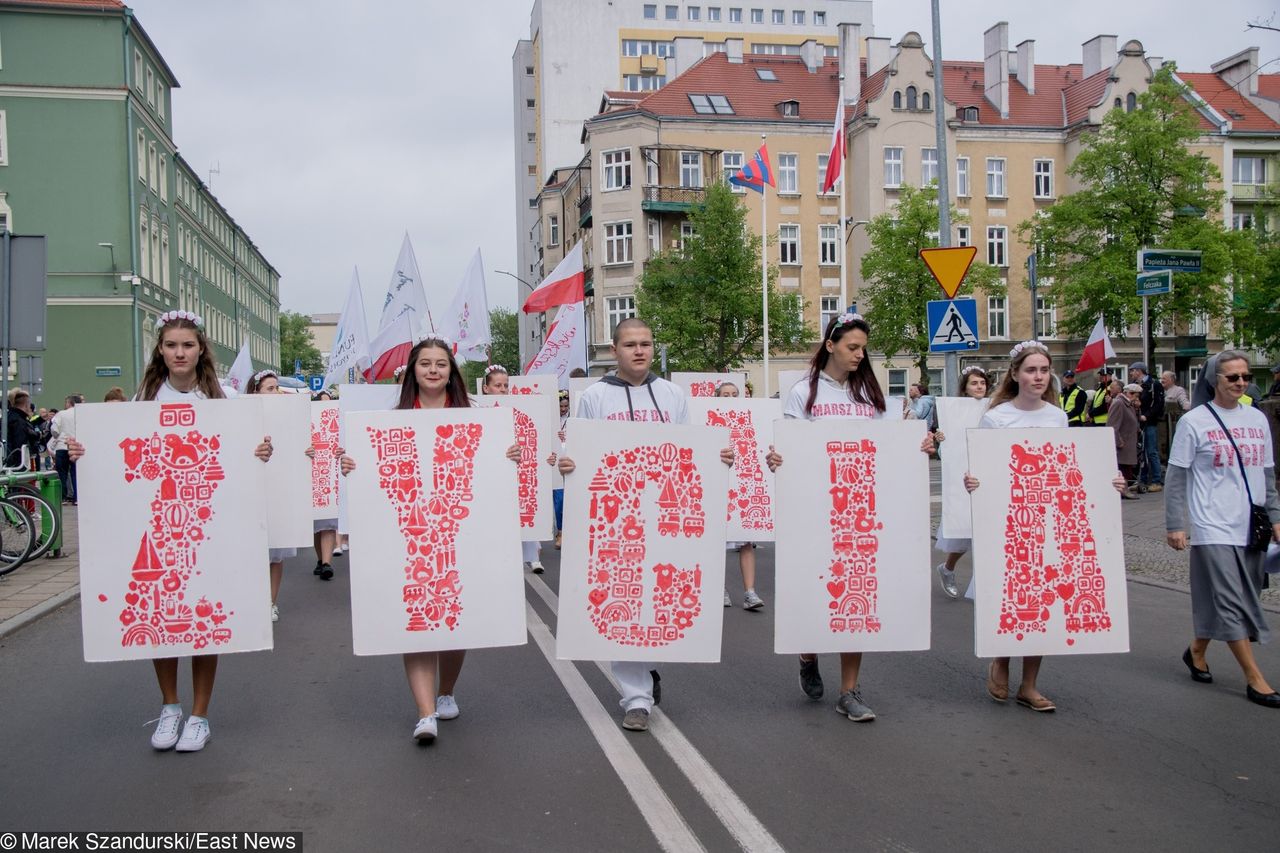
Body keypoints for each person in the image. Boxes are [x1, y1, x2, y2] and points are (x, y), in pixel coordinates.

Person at [67, 310, 273, 752]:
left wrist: (261, 450)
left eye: (188, 345)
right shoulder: (140, 406)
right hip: (157, 527)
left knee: (203, 618)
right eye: (172, 345)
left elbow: (246, 461)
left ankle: (200, 715)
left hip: (208, 528)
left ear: (201, 350)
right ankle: (170, 706)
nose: (180, 352)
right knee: (161, 617)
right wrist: (87, 451)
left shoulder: (228, 402)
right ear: (160, 351)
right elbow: (117, 460)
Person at [340, 336, 522, 742]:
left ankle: (446, 692)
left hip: (460, 531)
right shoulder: (391, 418)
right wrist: (352, 463)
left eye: (441, 364)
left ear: (452, 371)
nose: (434, 370)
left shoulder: (477, 417)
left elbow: (492, 469)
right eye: (426, 364)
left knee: (455, 617)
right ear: (413, 370)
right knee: (416, 616)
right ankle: (425, 714)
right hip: (412, 531)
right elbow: (369, 468)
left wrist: (508, 455)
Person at [557, 318, 733, 733]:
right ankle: (635, 696)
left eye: (646, 344)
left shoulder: (672, 394)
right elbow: (578, 449)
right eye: (631, 344)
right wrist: (570, 463)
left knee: (660, 592)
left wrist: (717, 459)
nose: (639, 351)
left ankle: (647, 666)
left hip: (664, 511)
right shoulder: (596, 397)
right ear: (614, 350)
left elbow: (691, 447)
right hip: (618, 515)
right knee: (624, 593)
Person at [764, 313, 935, 723]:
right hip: (815, 509)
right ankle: (808, 651)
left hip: (860, 511)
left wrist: (920, 446)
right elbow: (790, 446)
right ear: (830, 345)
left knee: (858, 593)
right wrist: (778, 458)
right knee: (816, 589)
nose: (859, 355)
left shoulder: (873, 395)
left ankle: (849, 690)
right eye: (851, 347)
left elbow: (893, 448)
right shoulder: (803, 393)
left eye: (863, 348)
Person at [964, 341, 1125, 713]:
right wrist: (973, 481)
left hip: (1049, 515)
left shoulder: (1056, 417)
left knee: (1044, 598)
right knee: (1017, 596)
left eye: (1043, 370)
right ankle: (1002, 659)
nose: (1037, 377)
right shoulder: (997, 417)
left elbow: (1069, 467)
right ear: (1016, 374)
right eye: (1030, 370)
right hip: (1012, 518)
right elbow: (982, 469)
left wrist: (1107, 481)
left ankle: (1030, 684)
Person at [1166, 351, 1280, 709]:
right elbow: (1176, 476)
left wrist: (1276, 517)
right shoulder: (1194, 421)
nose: (1241, 383)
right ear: (1215, 379)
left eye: (1245, 376)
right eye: (1233, 377)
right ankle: (1255, 678)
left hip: (1251, 525)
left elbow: (1266, 474)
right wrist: (1175, 524)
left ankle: (1197, 650)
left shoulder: (1258, 419)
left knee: (1247, 594)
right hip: (1212, 524)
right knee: (1232, 600)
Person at [481, 364, 554, 574]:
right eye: (497, 385)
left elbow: (534, 443)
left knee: (524, 512)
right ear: (486, 388)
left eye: (506, 385)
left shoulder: (522, 412)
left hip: (518, 473)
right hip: (492, 477)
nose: (503, 389)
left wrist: (545, 458)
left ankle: (532, 557)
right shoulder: (477, 411)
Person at [932, 366, 990, 598]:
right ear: (965, 388)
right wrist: (942, 438)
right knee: (963, 533)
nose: (979, 387)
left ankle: (985, 586)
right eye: (974, 383)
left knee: (985, 533)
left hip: (987, 471)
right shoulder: (954, 412)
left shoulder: (994, 409)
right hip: (963, 474)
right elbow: (948, 442)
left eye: (982, 383)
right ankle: (948, 568)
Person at [245, 370, 295, 622]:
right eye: (270, 388)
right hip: (251, 491)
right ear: (256, 392)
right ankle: (251, 601)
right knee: (252, 551)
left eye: (277, 388)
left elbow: (296, 447)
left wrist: (306, 452)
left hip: (278, 489)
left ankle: (271, 602)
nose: (276, 393)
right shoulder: (242, 418)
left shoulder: (288, 417)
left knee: (276, 552)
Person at [714, 381, 764, 611]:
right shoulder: (710, 422)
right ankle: (719, 588)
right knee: (718, 544)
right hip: (721, 488)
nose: (731, 397)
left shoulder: (752, 421)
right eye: (725, 395)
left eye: (735, 394)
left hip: (745, 488)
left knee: (746, 541)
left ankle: (750, 592)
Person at [1129, 362, 1165, 492]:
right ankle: (1142, 480)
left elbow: (1158, 404)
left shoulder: (1154, 384)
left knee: (1151, 451)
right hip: (1141, 422)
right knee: (1142, 452)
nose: (1131, 373)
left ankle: (1157, 480)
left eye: (1132, 371)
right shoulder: (1139, 386)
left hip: (1149, 422)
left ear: (1139, 371)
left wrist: (1147, 416)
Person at [50, 394, 84, 504]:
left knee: (62, 473)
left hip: (63, 446)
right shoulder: (82, 413)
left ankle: (63, 497)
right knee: (76, 473)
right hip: (77, 446)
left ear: (69, 403)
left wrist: (57, 437)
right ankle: (77, 498)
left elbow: (54, 429)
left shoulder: (61, 414)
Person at [1110, 383, 1141, 499]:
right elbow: (1113, 425)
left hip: (1128, 441)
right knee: (1122, 466)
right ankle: (1123, 489)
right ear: (1128, 393)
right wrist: (1118, 441)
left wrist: (1137, 409)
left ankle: (1124, 488)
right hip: (1123, 442)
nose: (1136, 399)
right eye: (1135, 395)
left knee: (1126, 467)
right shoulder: (1119, 403)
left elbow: (1135, 423)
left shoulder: (1128, 404)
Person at [5, 388, 42, 468]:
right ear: (26, 404)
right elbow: (20, 445)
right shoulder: (19, 421)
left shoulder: (9, 417)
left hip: (10, 463)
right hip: (18, 465)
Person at [553, 390, 569, 550]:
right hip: (553, 462)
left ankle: (565, 532)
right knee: (558, 501)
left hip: (569, 462)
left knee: (566, 499)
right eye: (561, 406)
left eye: (566, 406)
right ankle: (560, 531)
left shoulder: (572, 419)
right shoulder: (551, 419)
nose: (563, 409)